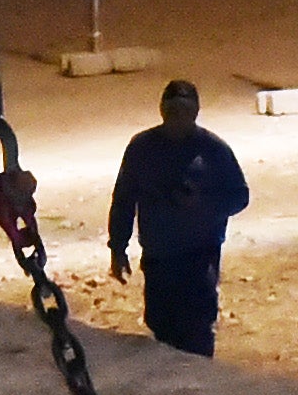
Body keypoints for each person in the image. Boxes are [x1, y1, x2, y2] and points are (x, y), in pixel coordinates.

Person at [106, 79, 252, 358]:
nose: (178, 119)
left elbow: (239, 196)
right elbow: (124, 199)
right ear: (162, 111)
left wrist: (203, 204)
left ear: (195, 112)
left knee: (196, 330)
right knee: (162, 328)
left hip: (199, 259)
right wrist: (118, 248)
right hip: (159, 258)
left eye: (184, 112)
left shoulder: (214, 151)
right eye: (172, 111)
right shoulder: (142, 149)